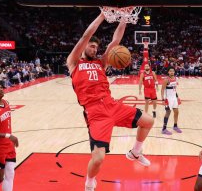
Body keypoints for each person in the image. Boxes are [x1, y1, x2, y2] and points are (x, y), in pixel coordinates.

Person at [67, 13, 154, 191]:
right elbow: (85, 36)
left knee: (148, 121)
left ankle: (135, 153)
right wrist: (102, 15)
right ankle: (90, 183)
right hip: (95, 112)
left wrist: (124, 18)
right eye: (91, 46)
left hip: (111, 104)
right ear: (84, 47)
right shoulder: (74, 62)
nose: (93, 49)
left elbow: (115, 40)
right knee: (98, 158)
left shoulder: (101, 62)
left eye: (95, 47)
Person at [160, 67, 182, 135]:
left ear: (174, 72)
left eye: (173, 71)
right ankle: (164, 129)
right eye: (170, 71)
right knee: (168, 112)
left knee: (176, 112)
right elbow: (162, 90)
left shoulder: (176, 79)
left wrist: (177, 97)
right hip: (168, 99)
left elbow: (174, 89)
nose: (172, 72)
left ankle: (175, 126)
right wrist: (163, 99)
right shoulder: (166, 80)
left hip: (174, 98)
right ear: (168, 72)